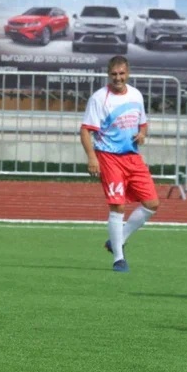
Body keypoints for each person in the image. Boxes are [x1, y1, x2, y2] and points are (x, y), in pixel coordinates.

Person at [78, 56, 158, 271]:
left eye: (121, 74)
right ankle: (118, 259)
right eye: (114, 74)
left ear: (128, 73)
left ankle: (117, 239)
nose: (118, 78)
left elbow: (143, 124)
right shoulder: (99, 98)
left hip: (132, 157)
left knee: (152, 203)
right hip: (109, 157)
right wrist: (92, 157)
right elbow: (85, 130)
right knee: (118, 206)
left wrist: (142, 134)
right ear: (108, 74)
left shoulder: (136, 94)